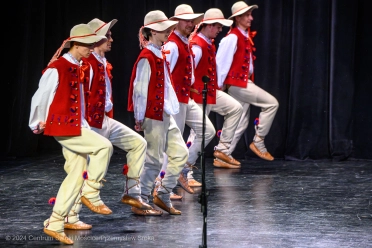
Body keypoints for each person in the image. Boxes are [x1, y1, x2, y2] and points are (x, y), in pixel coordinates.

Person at [63, 18, 154, 225]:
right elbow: (80, 96)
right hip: (88, 123)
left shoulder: (102, 62)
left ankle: (132, 191)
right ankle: (70, 215)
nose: (111, 40)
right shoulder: (86, 64)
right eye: (108, 36)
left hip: (104, 120)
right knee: (81, 169)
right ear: (96, 39)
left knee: (138, 143)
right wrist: (82, 123)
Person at [29, 24, 112, 245]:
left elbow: (81, 101)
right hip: (63, 126)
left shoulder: (78, 65)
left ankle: (55, 222)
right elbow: (42, 94)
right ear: (76, 44)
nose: (91, 48)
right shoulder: (59, 66)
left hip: (76, 124)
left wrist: (84, 121)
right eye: (88, 45)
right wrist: (37, 121)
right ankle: (92, 192)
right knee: (104, 146)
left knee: (76, 174)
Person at [128, 10, 189, 215]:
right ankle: (142, 199)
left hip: (164, 112)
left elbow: (166, 86)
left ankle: (162, 193)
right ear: (152, 31)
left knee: (181, 152)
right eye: (163, 29)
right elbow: (140, 89)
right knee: (153, 159)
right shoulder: (147, 56)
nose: (167, 32)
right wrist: (138, 117)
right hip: (152, 114)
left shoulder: (159, 54)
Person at [162, 4, 215, 193]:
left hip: (185, 97)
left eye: (192, 21)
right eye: (186, 20)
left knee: (207, 130)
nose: (191, 24)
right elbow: (164, 75)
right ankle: (163, 184)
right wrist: (167, 102)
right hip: (175, 100)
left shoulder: (184, 42)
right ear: (176, 22)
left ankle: (182, 169)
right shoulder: (172, 45)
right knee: (172, 141)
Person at [216, 1, 279, 161]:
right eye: (247, 15)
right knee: (271, 103)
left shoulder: (244, 36)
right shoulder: (232, 38)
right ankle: (259, 141)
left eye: (251, 15)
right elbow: (221, 63)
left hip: (241, 82)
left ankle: (223, 153)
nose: (251, 18)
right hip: (237, 83)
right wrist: (218, 85)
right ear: (237, 18)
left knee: (239, 122)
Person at [188, 8, 243, 169]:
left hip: (210, 92)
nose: (220, 30)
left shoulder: (208, 43)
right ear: (208, 25)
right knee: (198, 133)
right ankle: (185, 171)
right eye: (218, 26)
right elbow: (189, 73)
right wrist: (192, 92)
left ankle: (223, 149)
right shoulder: (197, 46)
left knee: (235, 108)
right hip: (199, 94)